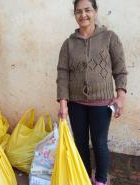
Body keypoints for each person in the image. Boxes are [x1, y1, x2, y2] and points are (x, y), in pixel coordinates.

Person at [56, 0, 127, 184]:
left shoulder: (110, 37)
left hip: (102, 103)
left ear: (95, 11)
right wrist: (63, 103)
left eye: (87, 10)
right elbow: (62, 74)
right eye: (78, 11)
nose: (83, 15)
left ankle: (101, 180)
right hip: (75, 103)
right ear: (75, 14)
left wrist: (120, 96)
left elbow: (120, 69)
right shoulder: (68, 44)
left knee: (99, 143)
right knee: (80, 143)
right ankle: (85, 177)